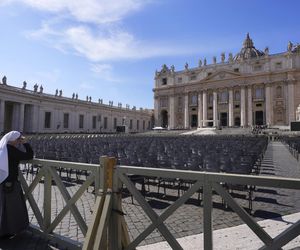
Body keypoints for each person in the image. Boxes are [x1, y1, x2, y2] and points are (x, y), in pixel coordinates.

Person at [0, 131, 33, 239]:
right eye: (19, 140)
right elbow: (29, 155)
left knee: (3, 208)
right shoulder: (12, 150)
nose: (19, 142)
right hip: (10, 183)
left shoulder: (3, 148)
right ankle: (8, 231)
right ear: (13, 140)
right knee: (11, 208)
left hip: (2, 182)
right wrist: (26, 143)